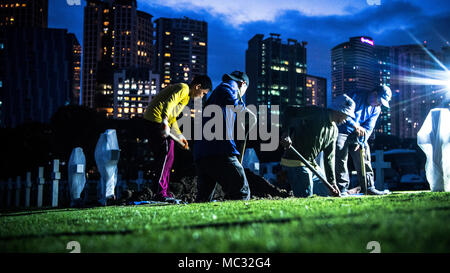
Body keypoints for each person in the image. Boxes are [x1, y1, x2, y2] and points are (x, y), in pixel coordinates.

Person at [143, 75, 212, 201]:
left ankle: (163, 190)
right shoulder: (183, 88)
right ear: (197, 87)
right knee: (165, 156)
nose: (202, 97)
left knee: (170, 157)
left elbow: (172, 118)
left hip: (160, 121)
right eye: (203, 93)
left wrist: (180, 136)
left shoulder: (186, 98)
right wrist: (164, 121)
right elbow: (169, 103)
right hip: (155, 120)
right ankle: (160, 192)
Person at [281, 95, 356, 198]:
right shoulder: (316, 112)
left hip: (311, 164)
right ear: (340, 111)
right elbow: (289, 111)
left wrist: (332, 182)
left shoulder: (334, 131)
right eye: (346, 115)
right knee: (306, 196)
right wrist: (286, 133)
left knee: (327, 192)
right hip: (295, 161)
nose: (346, 119)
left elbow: (329, 158)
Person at [194, 71, 251, 202]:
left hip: (201, 154)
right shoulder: (229, 86)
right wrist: (243, 109)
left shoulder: (215, 97)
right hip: (219, 152)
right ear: (243, 84)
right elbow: (234, 102)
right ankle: (240, 222)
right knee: (241, 191)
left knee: (203, 200)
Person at [335, 85, 392, 196]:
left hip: (357, 133)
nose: (379, 104)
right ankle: (342, 188)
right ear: (374, 94)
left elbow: (368, 128)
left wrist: (361, 142)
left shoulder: (376, 109)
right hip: (342, 128)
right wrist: (355, 126)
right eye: (379, 101)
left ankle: (368, 187)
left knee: (364, 154)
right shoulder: (355, 95)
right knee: (340, 154)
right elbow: (343, 112)